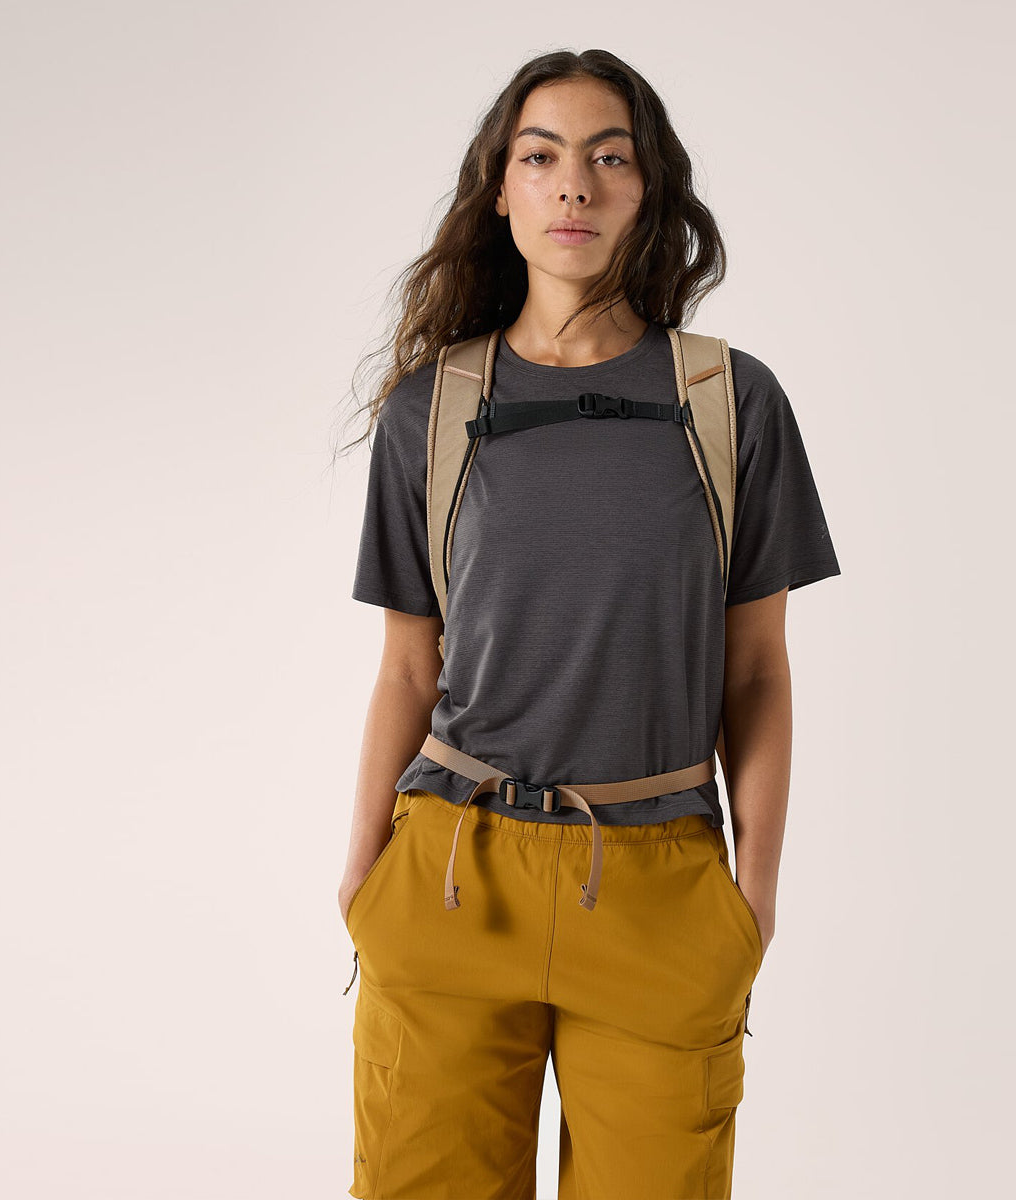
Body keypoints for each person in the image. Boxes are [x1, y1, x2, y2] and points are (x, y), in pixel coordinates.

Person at [336, 47, 841, 1200]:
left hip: (662, 883)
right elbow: (408, 668)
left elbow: (757, 673)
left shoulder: (729, 402)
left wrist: (752, 897)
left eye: (610, 158)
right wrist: (363, 876)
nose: (575, 184)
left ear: (649, 190)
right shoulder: (433, 409)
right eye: (542, 156)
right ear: (499, 189)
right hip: (451, 875)